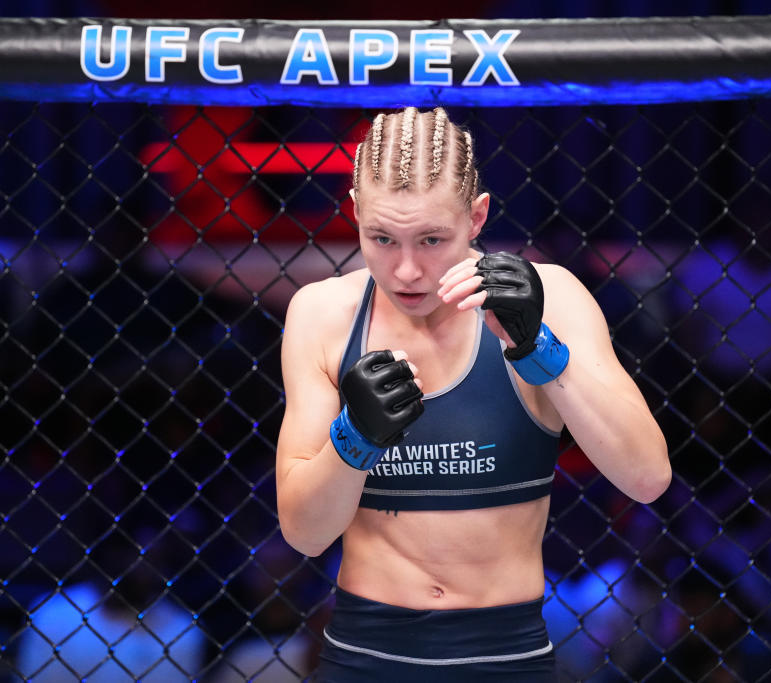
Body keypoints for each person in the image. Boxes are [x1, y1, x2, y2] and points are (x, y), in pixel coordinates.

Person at [275, 106, 670, 682]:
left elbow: (647, 476)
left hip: (505, 655)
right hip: (365, 654)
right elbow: (305, 533)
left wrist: (540, 348)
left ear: (476, 216)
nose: (407, 269)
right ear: (355, 214)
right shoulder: (323, 314)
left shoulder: (550, 294)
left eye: (432, 239)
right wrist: (354, 438)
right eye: (381, 238)